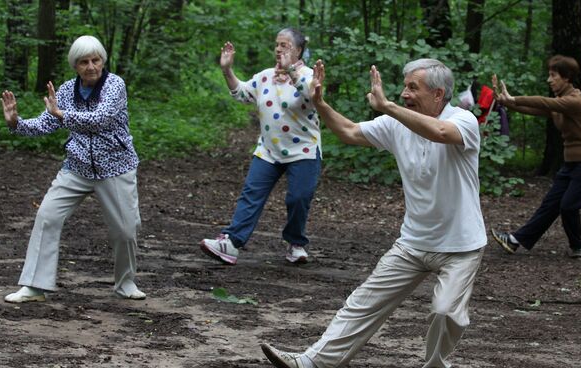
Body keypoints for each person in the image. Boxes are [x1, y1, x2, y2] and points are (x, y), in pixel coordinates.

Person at [261, 58, 487, 368]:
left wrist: (389, 107)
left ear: (438, 94)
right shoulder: (396, 124)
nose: (404, 94)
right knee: (362, 303)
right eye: (404, 87)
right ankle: (312, 363)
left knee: (445, 311)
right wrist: (320, 103)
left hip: (461, 246)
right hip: (413, 243)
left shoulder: (463, 120)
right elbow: (350, 132)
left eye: (413, 88)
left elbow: (441, 133)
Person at [0, 35, 145, 303]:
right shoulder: (66, 90)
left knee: (125, 230)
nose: (91, 66)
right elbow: (47, 123)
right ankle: (34, 286)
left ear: (103, 61)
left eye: (95, 60)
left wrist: (62, 114)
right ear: (75, 65)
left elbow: (99, 120)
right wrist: (15, 123)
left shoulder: (115, 85)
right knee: (47, 216)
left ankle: (125, 282)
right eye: (84, 62)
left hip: (115, 167)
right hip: (76, 167)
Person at [200, 28, 321, 265]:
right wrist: (227, 70)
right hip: (268, 150)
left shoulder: (308, 75)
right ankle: (231, 243)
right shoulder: (265, 76)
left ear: (298, 50)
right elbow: (242, 93)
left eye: (285, 45)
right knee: (251, 194)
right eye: (277, 44)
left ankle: (296, 243)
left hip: (304, 150)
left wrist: (291, 74)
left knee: (298, 198)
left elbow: (310, 96)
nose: (278, 49)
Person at [490, 55, 581, 258]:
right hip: (571, 164)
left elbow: (543, 102)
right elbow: (535, 108)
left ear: (566, 78)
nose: (549, 80)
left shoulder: (575, 101)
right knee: (551, 204)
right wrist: (506, 103)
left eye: (553, 75)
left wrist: (513, 98)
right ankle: (516, 240)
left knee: (568, 206)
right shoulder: (560, 102)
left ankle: (577, 246)